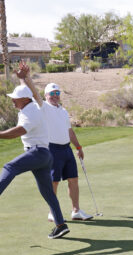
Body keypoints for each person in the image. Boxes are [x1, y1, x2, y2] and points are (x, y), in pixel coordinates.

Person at [17, 62, 93, 222]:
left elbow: (69, 131)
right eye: (52, 93)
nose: (55, 95)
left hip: (66, 150)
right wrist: (26, 77)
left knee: (73, 179)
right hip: (52, 150)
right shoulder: (43, 107)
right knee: (54, 181)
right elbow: (34, 93)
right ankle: (53, 212)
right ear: (46, 96)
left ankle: (76, 211)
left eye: (57, 92)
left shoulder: (63, 111)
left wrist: (78, 147)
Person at [0, 84, 69, 239]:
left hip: (37, 153)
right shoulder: (29, 109)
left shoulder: (30, 111)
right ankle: (61, 225)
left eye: (15, 99)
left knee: (9, 167)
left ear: (24, 99)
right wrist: (23, 78)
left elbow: (19, 131)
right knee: (48, 193)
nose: (12, 102)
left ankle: (60, 224)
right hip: (44, 156)